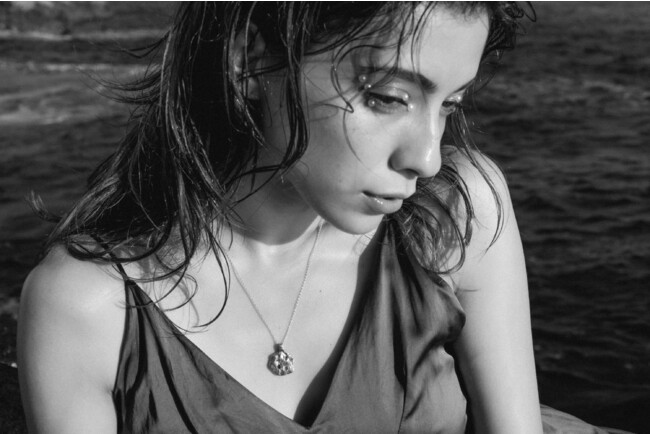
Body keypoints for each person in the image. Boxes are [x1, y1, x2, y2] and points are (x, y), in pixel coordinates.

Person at [16, 2, 616, 433]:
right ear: (250, 59)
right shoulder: (91, 308)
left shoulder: (455, 214)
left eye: (450, 104)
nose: (428, 158)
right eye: (388, 97)